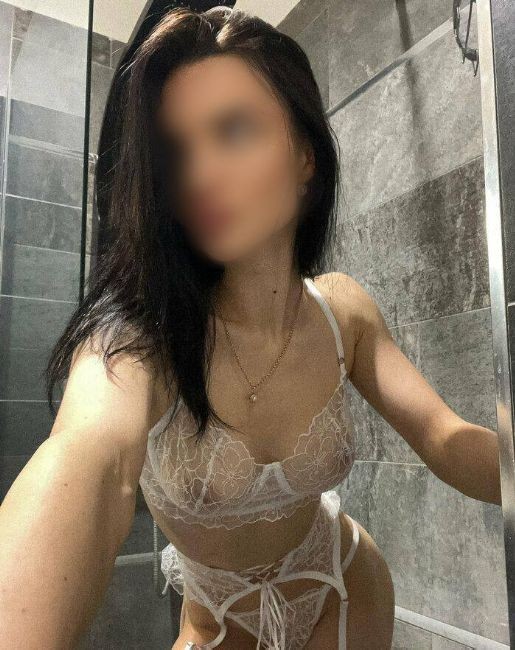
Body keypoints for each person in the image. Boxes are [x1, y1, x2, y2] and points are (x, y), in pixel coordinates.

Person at [0, 6, 501, 650]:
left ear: (305, 155)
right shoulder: (138, 340)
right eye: (177, 151)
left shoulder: (343, 311)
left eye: (234, 130)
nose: (199, 175)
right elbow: (88, 461)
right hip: (217, 620)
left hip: (344, 586)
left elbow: (444, 438)